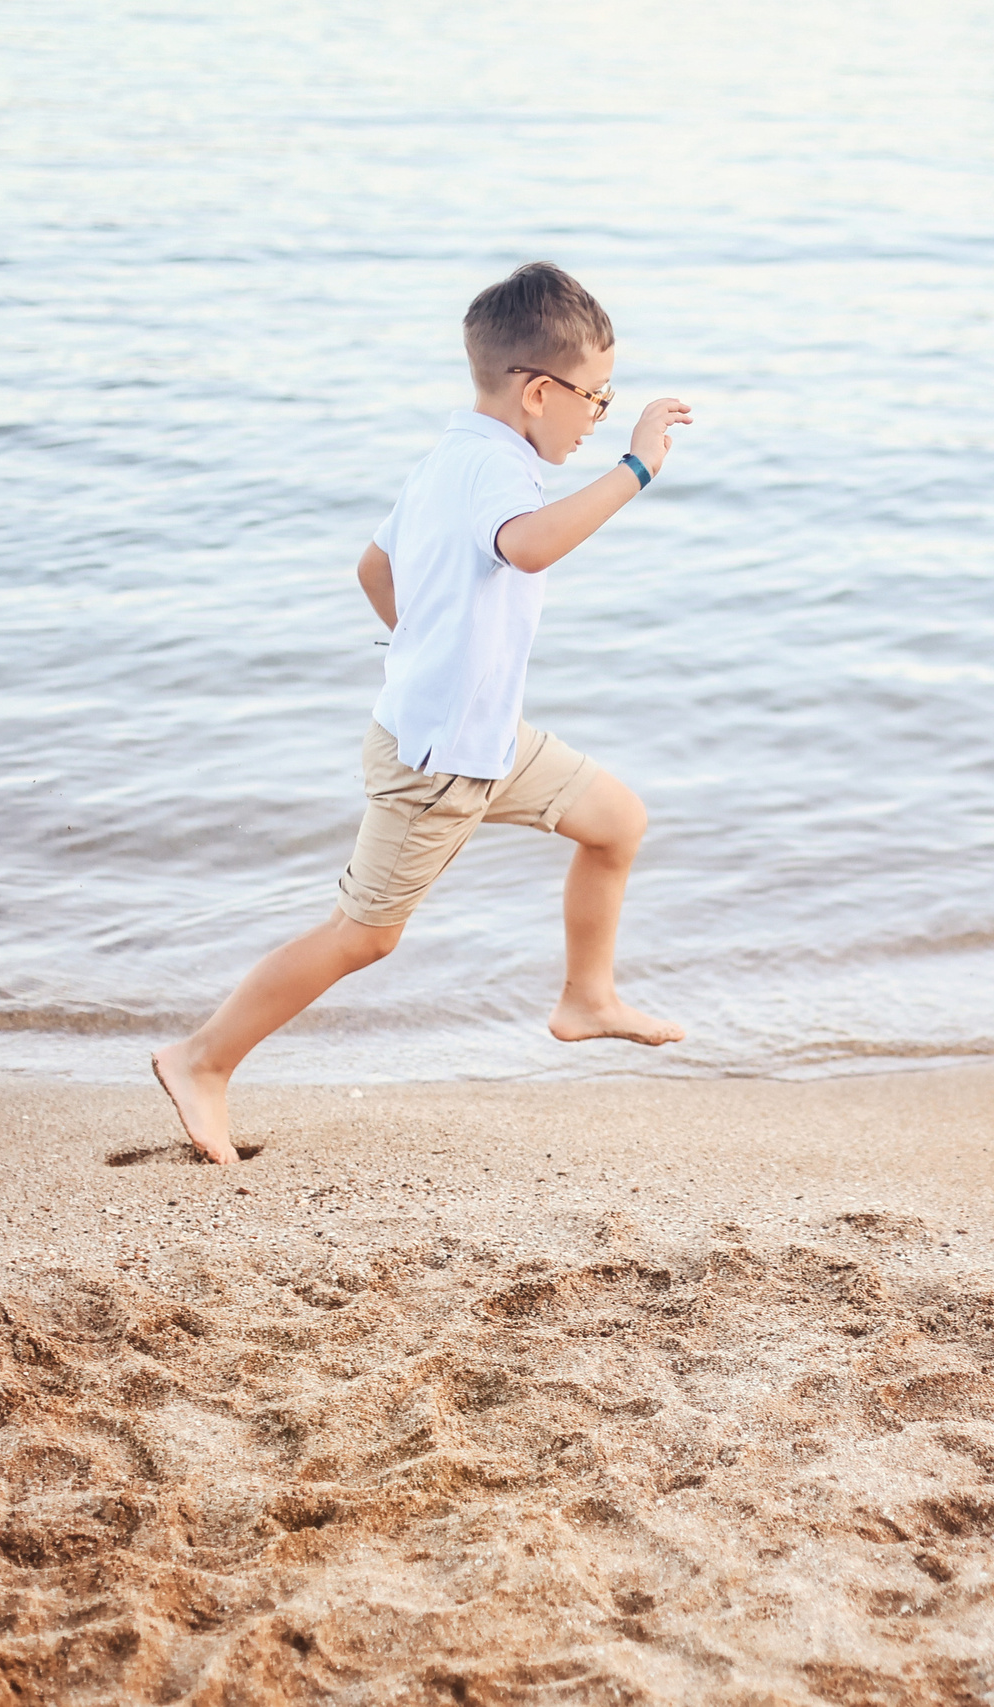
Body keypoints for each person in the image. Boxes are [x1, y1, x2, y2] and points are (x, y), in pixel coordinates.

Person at [154, 262, 691, 1164]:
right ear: (537, 392)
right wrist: (635, 466)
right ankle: (201, 1059)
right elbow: (527, 546)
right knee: (363, 937)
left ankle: (587, 997)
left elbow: (375, 566)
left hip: (485, 739)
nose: (599, 417)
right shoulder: (498, 470)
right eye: (596, 398)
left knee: (616, 822)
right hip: (441, 761)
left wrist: (428, 652)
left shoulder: (452, 454)